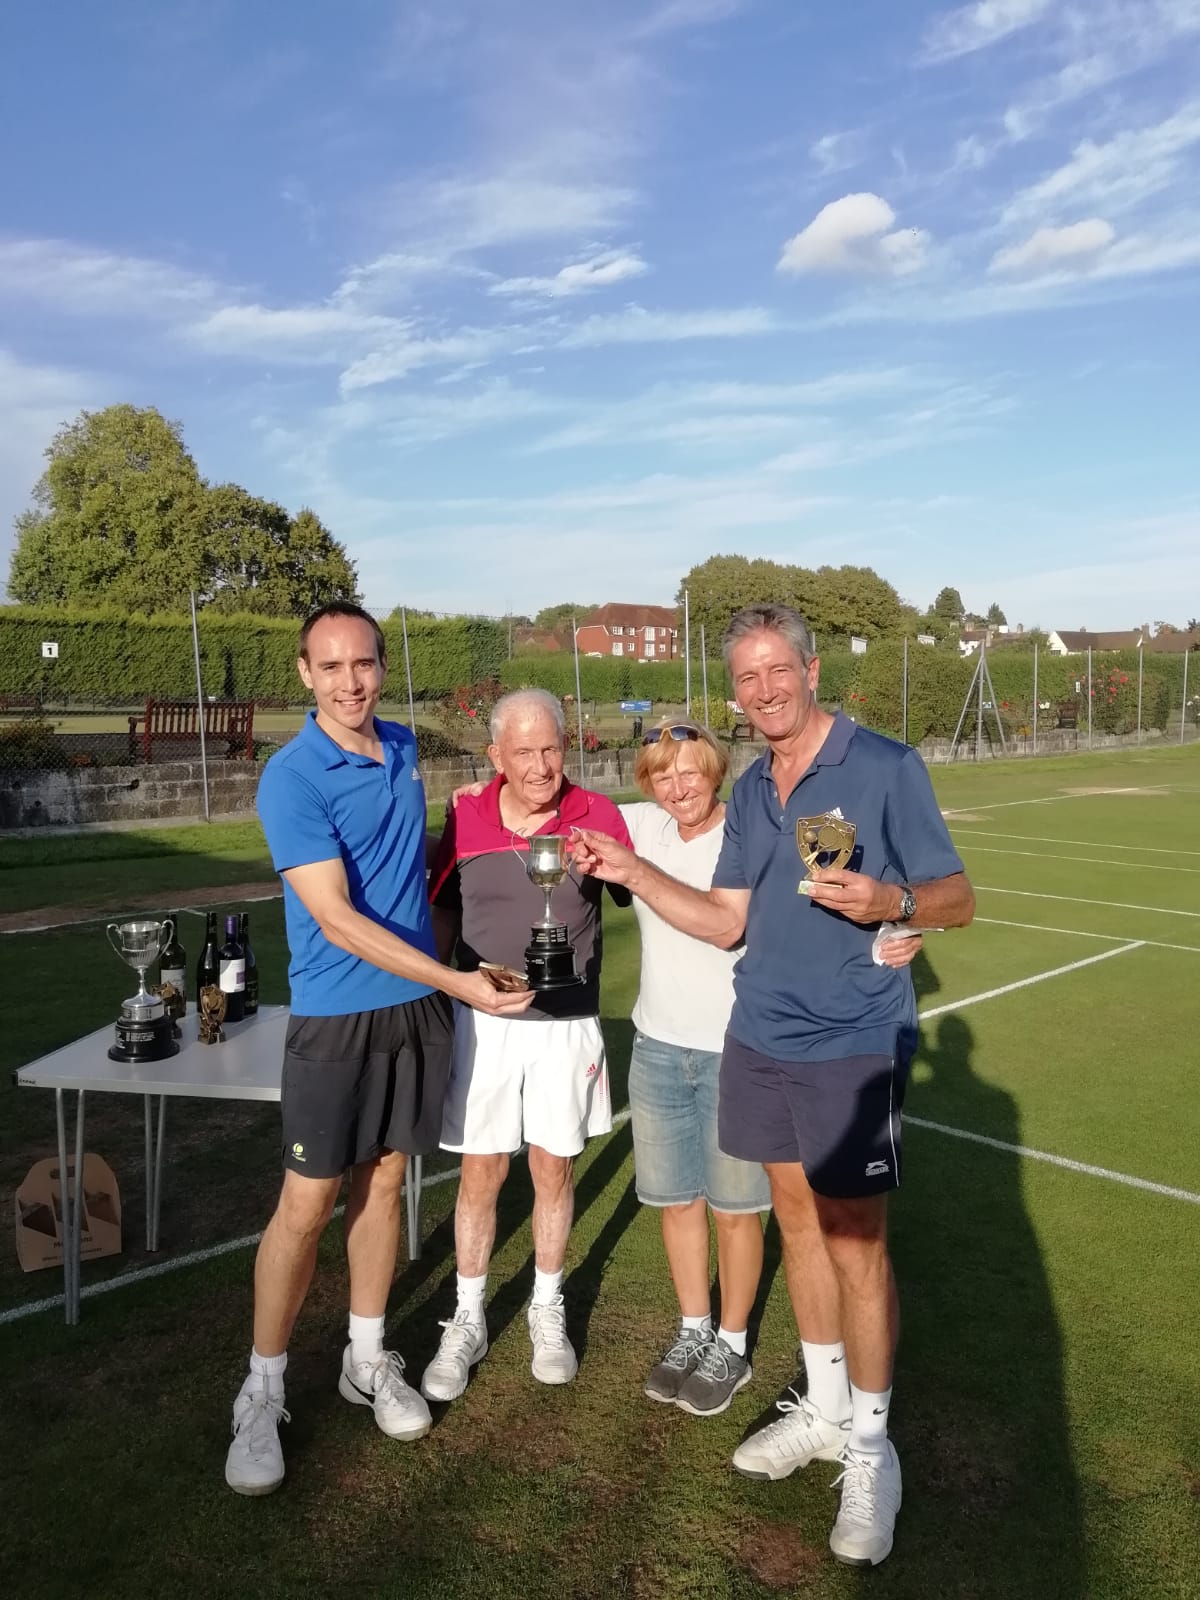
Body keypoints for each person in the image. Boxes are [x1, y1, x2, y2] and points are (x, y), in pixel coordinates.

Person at [573, 604, 973, 1568]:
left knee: (856, 1244)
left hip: (851, 1041)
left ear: (811, 667)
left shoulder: (885, 766)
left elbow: (958, 897)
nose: (764, 691)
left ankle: (871, 1448)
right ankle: (826, 1412)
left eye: (777, 670)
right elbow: (726, 921)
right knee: (797, 1224)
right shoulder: (753, 788)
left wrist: (892, 902)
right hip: (758, 1034)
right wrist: (632, 870)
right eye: (746, 679)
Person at [225, 602, 532, 1498]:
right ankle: (263, 1387)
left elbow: (418, 861)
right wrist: (458, 982)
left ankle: (365, 1359)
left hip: (413, 1010)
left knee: (387, 1183)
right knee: (306, 1202)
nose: (349, 682)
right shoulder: (291, 777)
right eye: (330, 667)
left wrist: (491, 853)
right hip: (336, 1018)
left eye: (363, 663)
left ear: (382, 667)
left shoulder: (400, 749)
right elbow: (336, 918)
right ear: (304, 673)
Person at [623, 719, 922, 1420]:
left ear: (715, 771)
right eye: (663, 773)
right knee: (680, 1204)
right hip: (660, 1044)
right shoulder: (642, 828)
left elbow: (818, 899)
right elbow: (558, 808)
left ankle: (733, 1345)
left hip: (740, 1043)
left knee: (742, 1212)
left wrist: (892, 922)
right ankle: (697, 1331)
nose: (678, 785)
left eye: (691, 770)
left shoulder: (755, 823)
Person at [419, 688, 633, 1403]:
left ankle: (546, 1307)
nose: (541, 766)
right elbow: (444, 908)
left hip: (565, 1024)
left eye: (551, 748)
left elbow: (639, 889)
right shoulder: (465, 814)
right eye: (523, 752)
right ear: (495, 757)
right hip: (483, 1023)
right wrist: (439, 988)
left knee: (552, 1170)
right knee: (480, 1174)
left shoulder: (598, 814)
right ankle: (468, 1317)